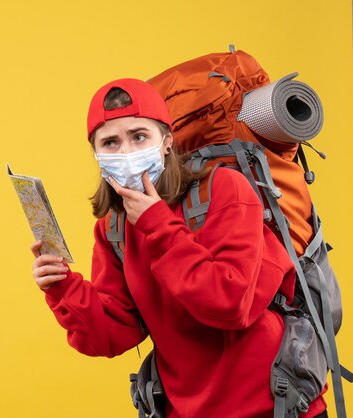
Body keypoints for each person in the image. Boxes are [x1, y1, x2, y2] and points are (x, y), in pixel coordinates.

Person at [30, 78, 328, 417]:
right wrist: (63, 287)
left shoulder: (224, 189)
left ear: (167, 142)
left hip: (273, 404)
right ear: (96, 154)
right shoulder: (113, 226)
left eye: (139, 136)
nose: (126, 152)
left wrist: (157, 223)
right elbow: (113, 334)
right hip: (184, 409)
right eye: (110, 142)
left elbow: (231, 304)